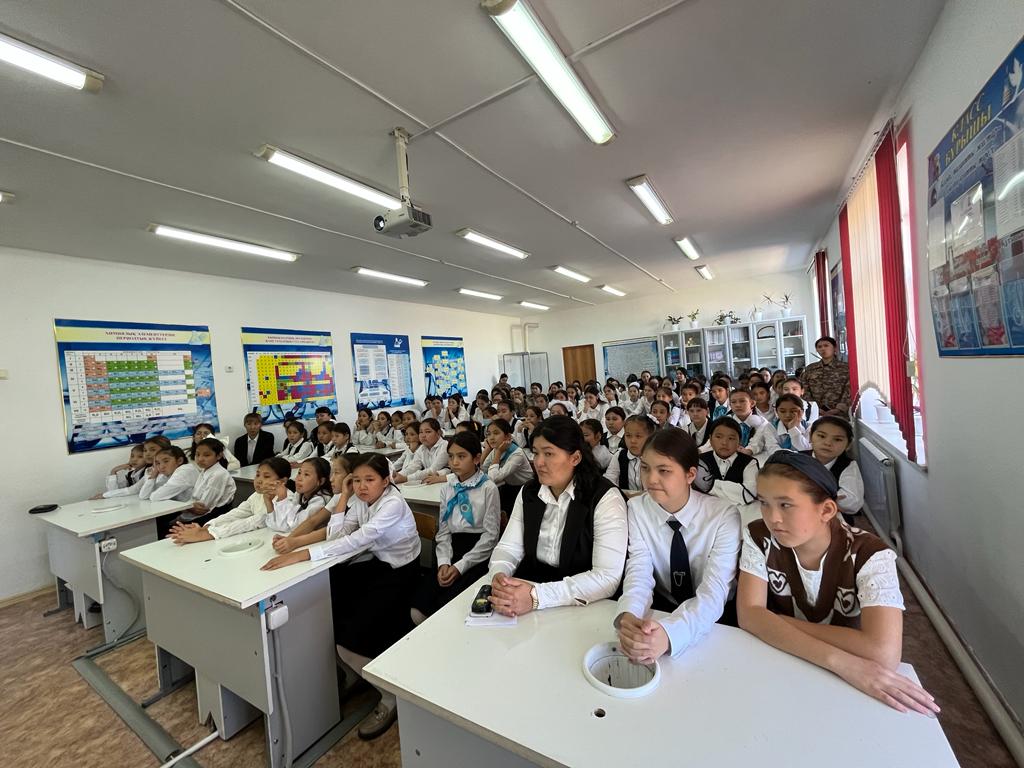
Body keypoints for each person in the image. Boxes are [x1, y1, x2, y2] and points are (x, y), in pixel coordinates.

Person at [737, 452, 938, 716]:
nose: (772, 517)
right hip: (787, 663)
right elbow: (749, 616)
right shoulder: (759, 536)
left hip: (834, 683)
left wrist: (772, 621)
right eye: (764, 503)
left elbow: (883, 654)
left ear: (826, 510)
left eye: (786, 505)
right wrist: (839, 661)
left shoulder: (870, 554)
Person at [262, 453, 421, 739]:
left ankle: (389, 696)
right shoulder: (358, 499)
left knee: (351, 635)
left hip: (400, 570)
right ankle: (353, 673)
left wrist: (302, 554)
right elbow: (338, 535)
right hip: (377, 561)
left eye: (369, 480)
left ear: (386, 481)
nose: (362, 486)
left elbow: (359, 539)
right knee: (328, 596)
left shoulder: (393, 503)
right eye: (356, 480)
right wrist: (344, 497)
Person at [615, 429, 742, 661]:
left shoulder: (723, 516)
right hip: (662, 608)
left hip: (715, 620)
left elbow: (714, 591)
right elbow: (639, 570)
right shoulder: (637, 509)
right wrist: (630, 614)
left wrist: (671, 634)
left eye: (664, 470)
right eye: (645, 468)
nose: (651, 479)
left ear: (690, 474)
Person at [487, 416, 627, 615]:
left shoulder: (604, 498)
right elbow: (509, 546)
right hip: (531, 587)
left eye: (549, 454)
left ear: (575, 458)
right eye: (536, 453)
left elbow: (607, 577)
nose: (539, 462)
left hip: (584, 599)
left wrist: (537, 597)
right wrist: (500, 575)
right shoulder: (529, 492)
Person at [411, 432, 501, 621]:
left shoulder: (488, 488)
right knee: (418, 609)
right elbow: (443, 531)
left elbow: (491, 536)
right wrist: (444, 562)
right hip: (451, 548)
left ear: (476, 458)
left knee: (449, 610)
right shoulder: (448, 487)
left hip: (478, 553)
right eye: (451, 456)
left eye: (461, 456)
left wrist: (460, 566)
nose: (454, 462)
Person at [168, 456, 300, 544]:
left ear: (282, 481)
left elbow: (253, 522)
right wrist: (208, 526)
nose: (259, 480)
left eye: (266, 476)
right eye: (258, 475)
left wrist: (207, 534)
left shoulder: (287, 499)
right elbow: (237, 513)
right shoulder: (258, 495)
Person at [803, 417, 864, 523]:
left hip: (830, 518)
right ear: (810, 436)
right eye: (821, 436)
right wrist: (831, 497)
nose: (828, 443)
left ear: (848, 445)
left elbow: (852, 503)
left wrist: (806, 494)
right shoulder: (796, 459)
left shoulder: (847, 465)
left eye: (837, 439)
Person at [694, 419, 759, 514]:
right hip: (705, 513)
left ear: (739, 441)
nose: (724, 442)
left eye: (731, 438)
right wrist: (736, 492)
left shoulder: (750, 463)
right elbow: (694, 492)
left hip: (740, 515)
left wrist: (709, 485)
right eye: (718, 437)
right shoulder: (699, 461)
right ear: (710, 439)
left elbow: (749, 493)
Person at [176, 437, 237, 525]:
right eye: (197, 454)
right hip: (195, 515)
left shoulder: (218, 474)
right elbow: (195, 499)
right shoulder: (205, 470)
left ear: (219, 455)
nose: (200, 459)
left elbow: (203, 508)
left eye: (206, 455)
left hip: (210, 518)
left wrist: (185, 509)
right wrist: (188, 506)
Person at [480, 418, 534, 512]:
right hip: (509, 486)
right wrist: (488, 449)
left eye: (496, 433)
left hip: (526, 488)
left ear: (507, 436)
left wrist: (498, 453)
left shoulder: (517, 454)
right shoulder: (496, 449)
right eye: (488, 434)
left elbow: (493, 478)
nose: (491, 437)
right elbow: (483, 469)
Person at [603, 414, 653, 497]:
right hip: (624, 500)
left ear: (650, 437)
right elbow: (609, 480)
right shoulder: (619, 455)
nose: (632, 441)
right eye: (628, 435)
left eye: (638, 436)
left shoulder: (655, 458)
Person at [800, 336, 851, 416]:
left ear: (835, 348)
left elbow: (848, 390)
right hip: (815, 413)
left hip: (840, 414)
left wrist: (839, 409)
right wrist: (814, 408)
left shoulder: (845, 368)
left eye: (826, 345)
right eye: (819, 347)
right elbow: (804, 389)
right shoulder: (810, 369)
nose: (823, 349)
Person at [726, 389, 779, 465]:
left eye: (742, 401)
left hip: (756, 459)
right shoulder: (725, 421)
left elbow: (759, 440)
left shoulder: (762, 422)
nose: (737, 405)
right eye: (733, 402)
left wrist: (749, 450)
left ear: (752, 403)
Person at [393, 418, 449, 484]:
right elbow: (413, 467)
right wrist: (398, 475)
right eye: (421, 432)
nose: (423, 435)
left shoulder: (445, 446)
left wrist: (406, 478)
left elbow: (432, 470)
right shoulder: (422, 448)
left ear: (438, 433)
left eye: (428, 432)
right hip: (430, 483)